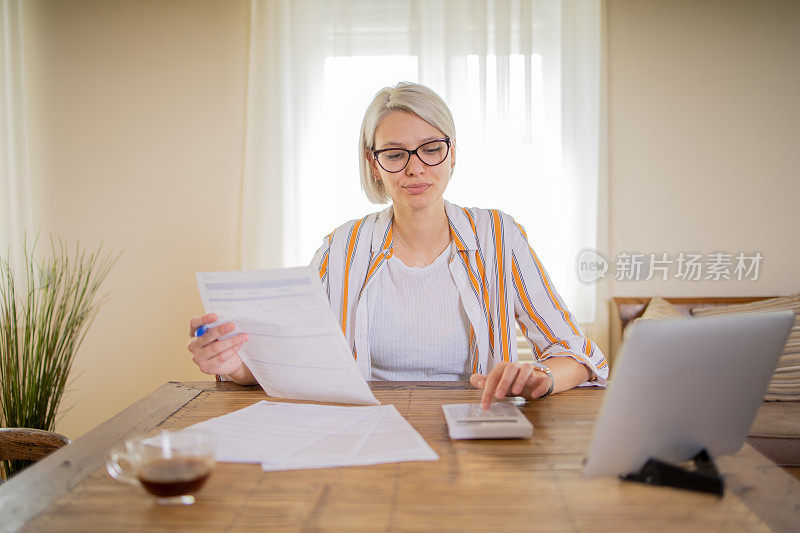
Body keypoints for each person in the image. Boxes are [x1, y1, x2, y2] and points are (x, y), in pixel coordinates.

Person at [187, 82, 608, 409]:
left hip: (476, 428)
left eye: (431, 149)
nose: (415, 168)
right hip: (368, 427)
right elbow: (290, 362)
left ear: (453, 153)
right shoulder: (341, 247)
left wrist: (543, 378)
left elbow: (575, 351)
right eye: (395, 154)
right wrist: (234, 365)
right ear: (374, 164)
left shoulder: (498, 235)